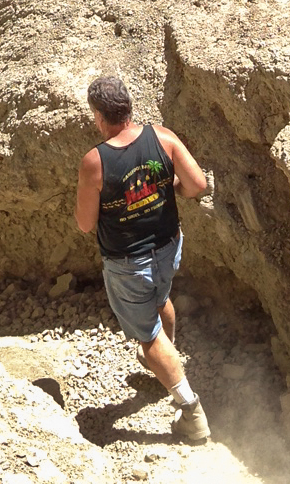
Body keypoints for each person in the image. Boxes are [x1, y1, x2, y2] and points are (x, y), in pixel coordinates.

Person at [75, 75, 211, 444]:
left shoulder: (95, 162)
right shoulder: (163, 138)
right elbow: (197, 186)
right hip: (168, 245)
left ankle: (190, 409)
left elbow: (85, 224)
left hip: (127, 261)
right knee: (160, 298)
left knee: (148, 337)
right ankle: (164, 365)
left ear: (100, 117)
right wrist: (169, 190)